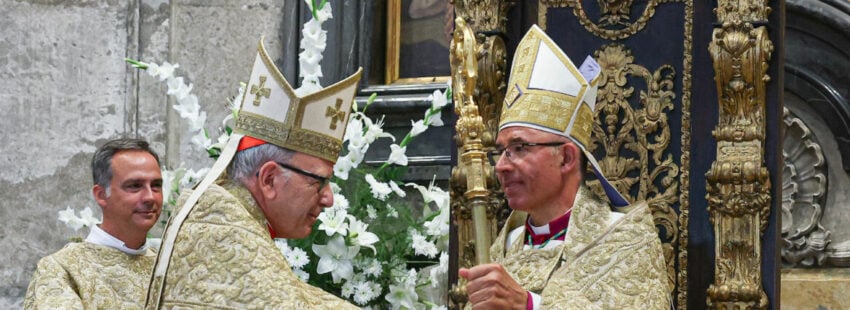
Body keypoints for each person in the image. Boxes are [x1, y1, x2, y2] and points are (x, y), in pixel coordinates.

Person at [458, 25, 671, 309]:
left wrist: (529, 305)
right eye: (502, 151)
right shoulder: (504, 246)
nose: (501, 166)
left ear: (567, 158)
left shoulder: (624, 240)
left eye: (520, 148)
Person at [144, 39, 361, 309]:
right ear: (269, 179)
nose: (328, 198)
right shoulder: (220, 224)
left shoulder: (234, 214)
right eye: (318, 182)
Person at [24, 138, 163, 309]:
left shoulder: (170, 266)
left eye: (156, 186)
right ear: (101, 195)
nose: (150, 197)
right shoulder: (62, 269)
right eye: (135, 186)